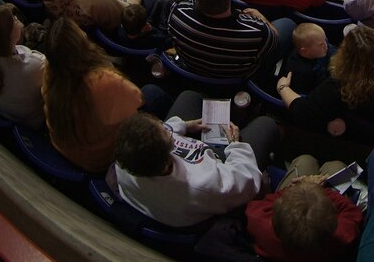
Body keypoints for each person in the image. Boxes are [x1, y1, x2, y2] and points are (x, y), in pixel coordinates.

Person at [113, 89, 278, 228]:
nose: (167, 128)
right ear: (168, 153)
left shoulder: (125, 158)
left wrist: (184, 125)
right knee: (266, 124)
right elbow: (248, 180)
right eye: (167, 134)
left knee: (189, 96)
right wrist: (235, 144)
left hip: (166, 196)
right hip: (210, 179)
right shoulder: (205, 184)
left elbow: (165, 129)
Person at [42, 17, 171, 173]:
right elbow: (139, 100)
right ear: (82, 46)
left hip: (66, 149)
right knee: (152, 92)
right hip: (100, 160)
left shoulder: (50, 71)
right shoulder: (103, 80)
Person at [168, 0, 295, 79]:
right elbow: (274, 46)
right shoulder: (257, 31)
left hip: (194, 69)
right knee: (288, 24)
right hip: (241, 80)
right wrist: (263, 19)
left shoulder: (177, 14)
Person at [245, 154, 363, 262]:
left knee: (305, 160)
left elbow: (267, 200)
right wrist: (317, 189)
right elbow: (351, 211)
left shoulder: (259, 222)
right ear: (332, 224)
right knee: (336, 166)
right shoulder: (340, 238)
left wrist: (299, 188)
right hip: (322, 192)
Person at [0, 4, 46, 128]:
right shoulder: (34, 65)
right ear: (10, 36)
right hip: (32, 121)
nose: (17, 19)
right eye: (14, 20)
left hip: (4, 110)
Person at [283, 23, 335, 94]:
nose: (326, 45)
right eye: (321, 44)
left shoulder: (321, 49)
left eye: (325, 40)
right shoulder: (300, 72)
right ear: (304, 51)